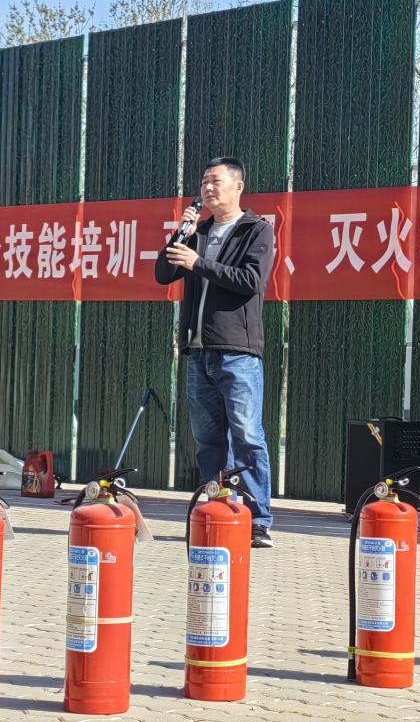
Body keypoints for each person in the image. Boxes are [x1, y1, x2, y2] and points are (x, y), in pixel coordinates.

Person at [155, 157, 276, 548]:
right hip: (198, 351)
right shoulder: (199, 231)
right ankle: (216, 512)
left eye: (215, 181)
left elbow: (251, 281)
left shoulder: (257, 230)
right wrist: (182, 235)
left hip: (237, 352)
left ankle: (257, 521)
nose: (207, 189)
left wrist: (200, 263)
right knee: (208, 440)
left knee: (247, 436)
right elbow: (163, 273)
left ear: (238, 186)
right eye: (204, 182)